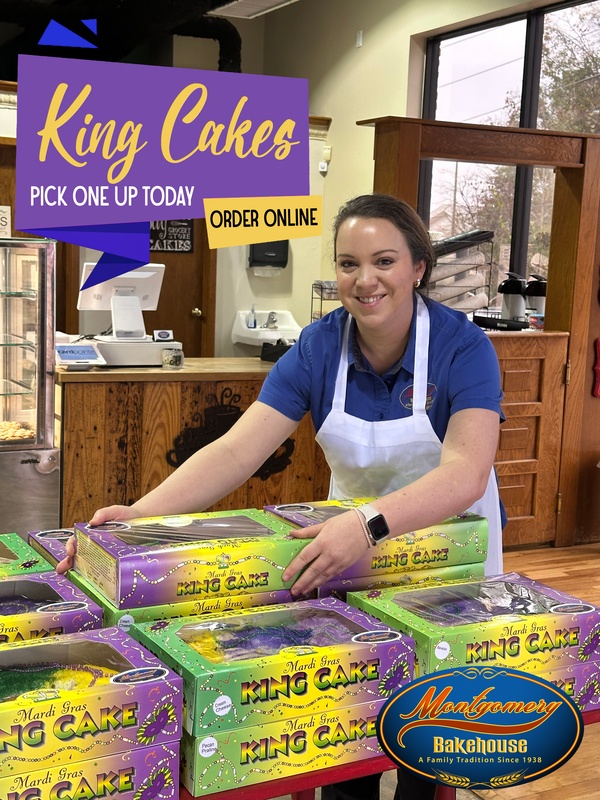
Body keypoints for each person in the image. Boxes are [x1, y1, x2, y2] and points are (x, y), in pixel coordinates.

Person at [58, 193, 504, 799]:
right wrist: (143, 513)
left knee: (431, 730)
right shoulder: (320, 348)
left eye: (384, 261)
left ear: (419, 268)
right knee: (349, 717)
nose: (364, 280)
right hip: (347, 551)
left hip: (443, 551)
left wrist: (369, 524)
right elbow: (238, 450)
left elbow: (466, 473)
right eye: (348, 264)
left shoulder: (464, 348)